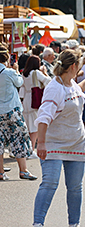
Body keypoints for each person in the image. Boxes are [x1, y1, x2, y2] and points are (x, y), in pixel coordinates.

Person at [33, 49, 85, 227]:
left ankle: (74, 224)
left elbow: (76, 92)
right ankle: (38, 224)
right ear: (73, 66)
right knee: (49, 183)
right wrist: (41, 143)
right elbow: (43, 118)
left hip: (76, 143)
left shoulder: (70, 83)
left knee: (75, 188)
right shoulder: (54, 88)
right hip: (53, 143)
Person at [0, 44, 37, 181]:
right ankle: (23, 170)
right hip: (11, 110)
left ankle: (0, 171)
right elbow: (20, 82)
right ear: (6, 58)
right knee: (19, 138)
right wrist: (15, 70)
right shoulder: (9, 72)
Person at [20, 55, 52, 158]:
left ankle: (28, 149)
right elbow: (49, 82)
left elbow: (21, 90)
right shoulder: (37, 73)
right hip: (35, 101)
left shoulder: (24, 74)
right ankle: (31, 150)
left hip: (26, 100)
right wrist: (45, 73)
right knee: (34, 128)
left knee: (28, 126)